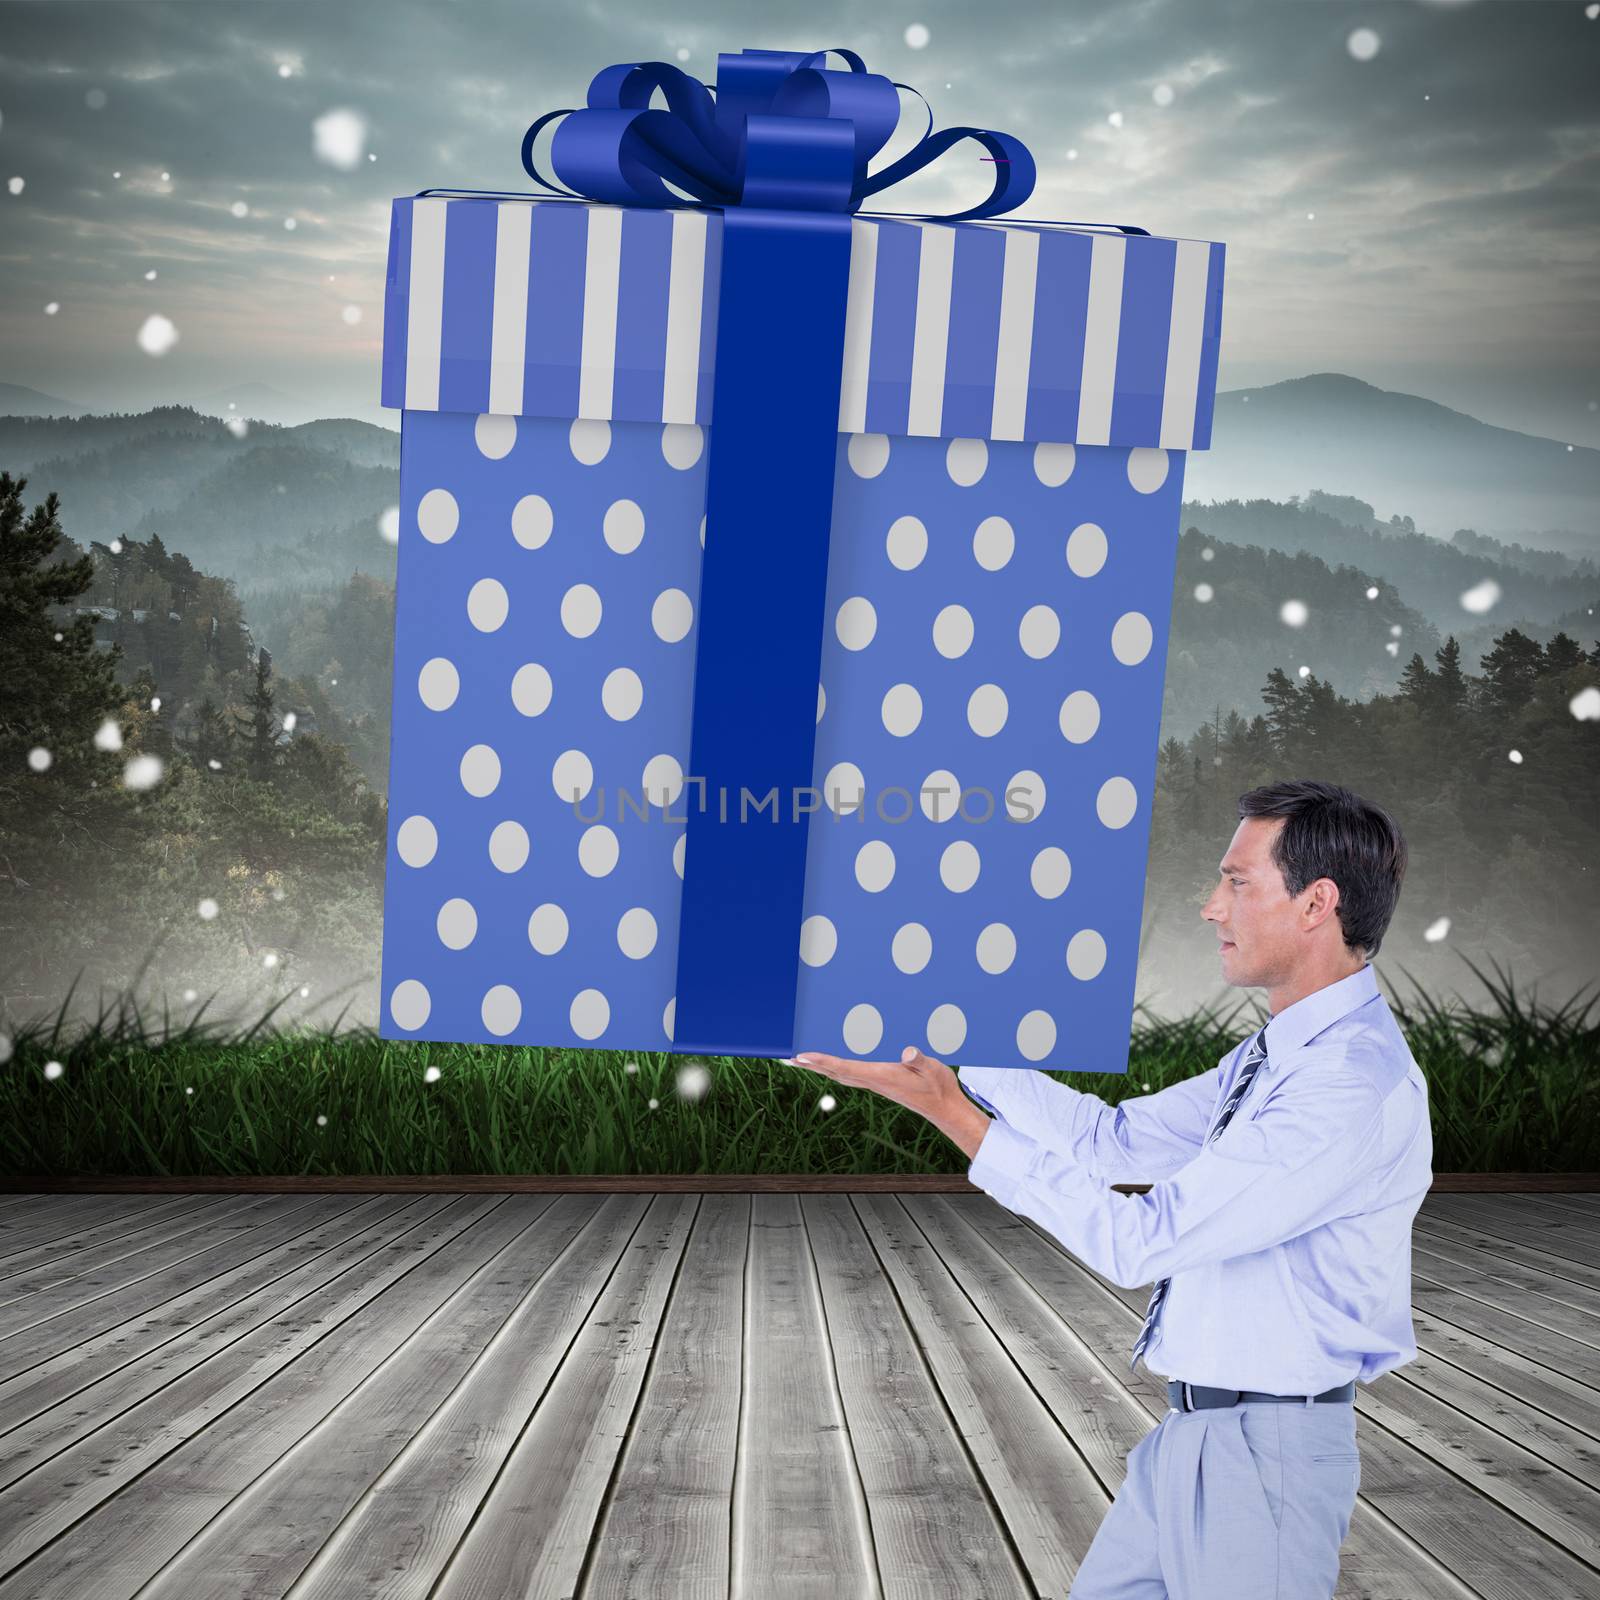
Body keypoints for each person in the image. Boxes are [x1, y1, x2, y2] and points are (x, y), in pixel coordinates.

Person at [783, 778, 1432, 1600]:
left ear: (1317, 903)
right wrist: (951, 1060)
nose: (1211, 907)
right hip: (1196, 1438)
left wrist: (948, 1111)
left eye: (1236, 882)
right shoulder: (1282, 1055)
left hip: (1267, 1458)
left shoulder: (1345, 1084)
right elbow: (1112, 1142)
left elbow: (1142, 1240)